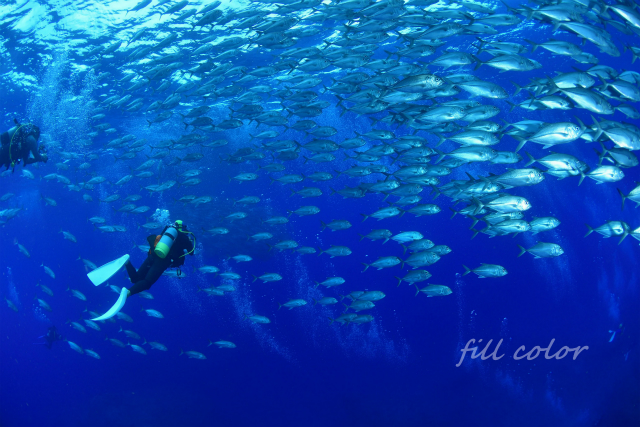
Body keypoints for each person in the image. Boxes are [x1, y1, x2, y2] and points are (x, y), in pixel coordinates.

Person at [125, 220, 196, 297]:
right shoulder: (184, 237)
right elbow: (191, 252)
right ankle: (127, 293)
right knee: (147, 282)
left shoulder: (168, 230)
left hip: (153, 255)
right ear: (183, 228)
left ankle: (127, 263)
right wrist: (189, 241)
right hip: (162, 261)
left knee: (135, 279)